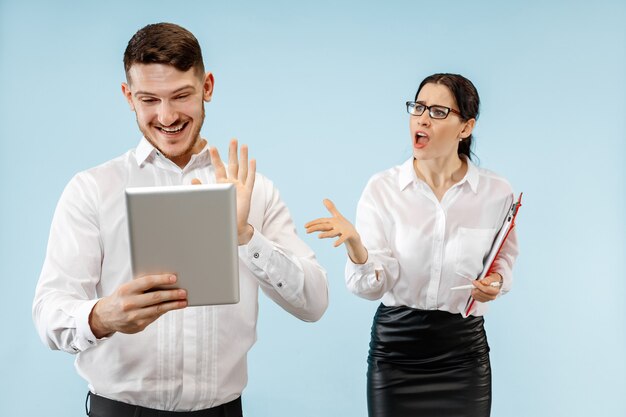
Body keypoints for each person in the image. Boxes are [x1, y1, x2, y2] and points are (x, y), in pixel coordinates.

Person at [33, 22, 328, 417]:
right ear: (128, 96)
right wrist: (104, 315)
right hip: (121, 410)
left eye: (181, 95)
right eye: (149, 99)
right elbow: (49, 312)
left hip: (223, 410)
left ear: (207, 87)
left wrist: (245, 236)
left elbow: (314, 303)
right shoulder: (91, 190)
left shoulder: (253, 191)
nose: (166, 115)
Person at [305, 73, 518, 417]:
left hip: (463, 354)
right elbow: (372, 287)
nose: (421, 118)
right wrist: (357, 248)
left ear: (466, 127)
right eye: (418, 107)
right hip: (397, 351)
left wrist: (496, 283)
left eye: (437, 111)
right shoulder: (383, 190)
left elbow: (503, 259)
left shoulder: (497, 193)